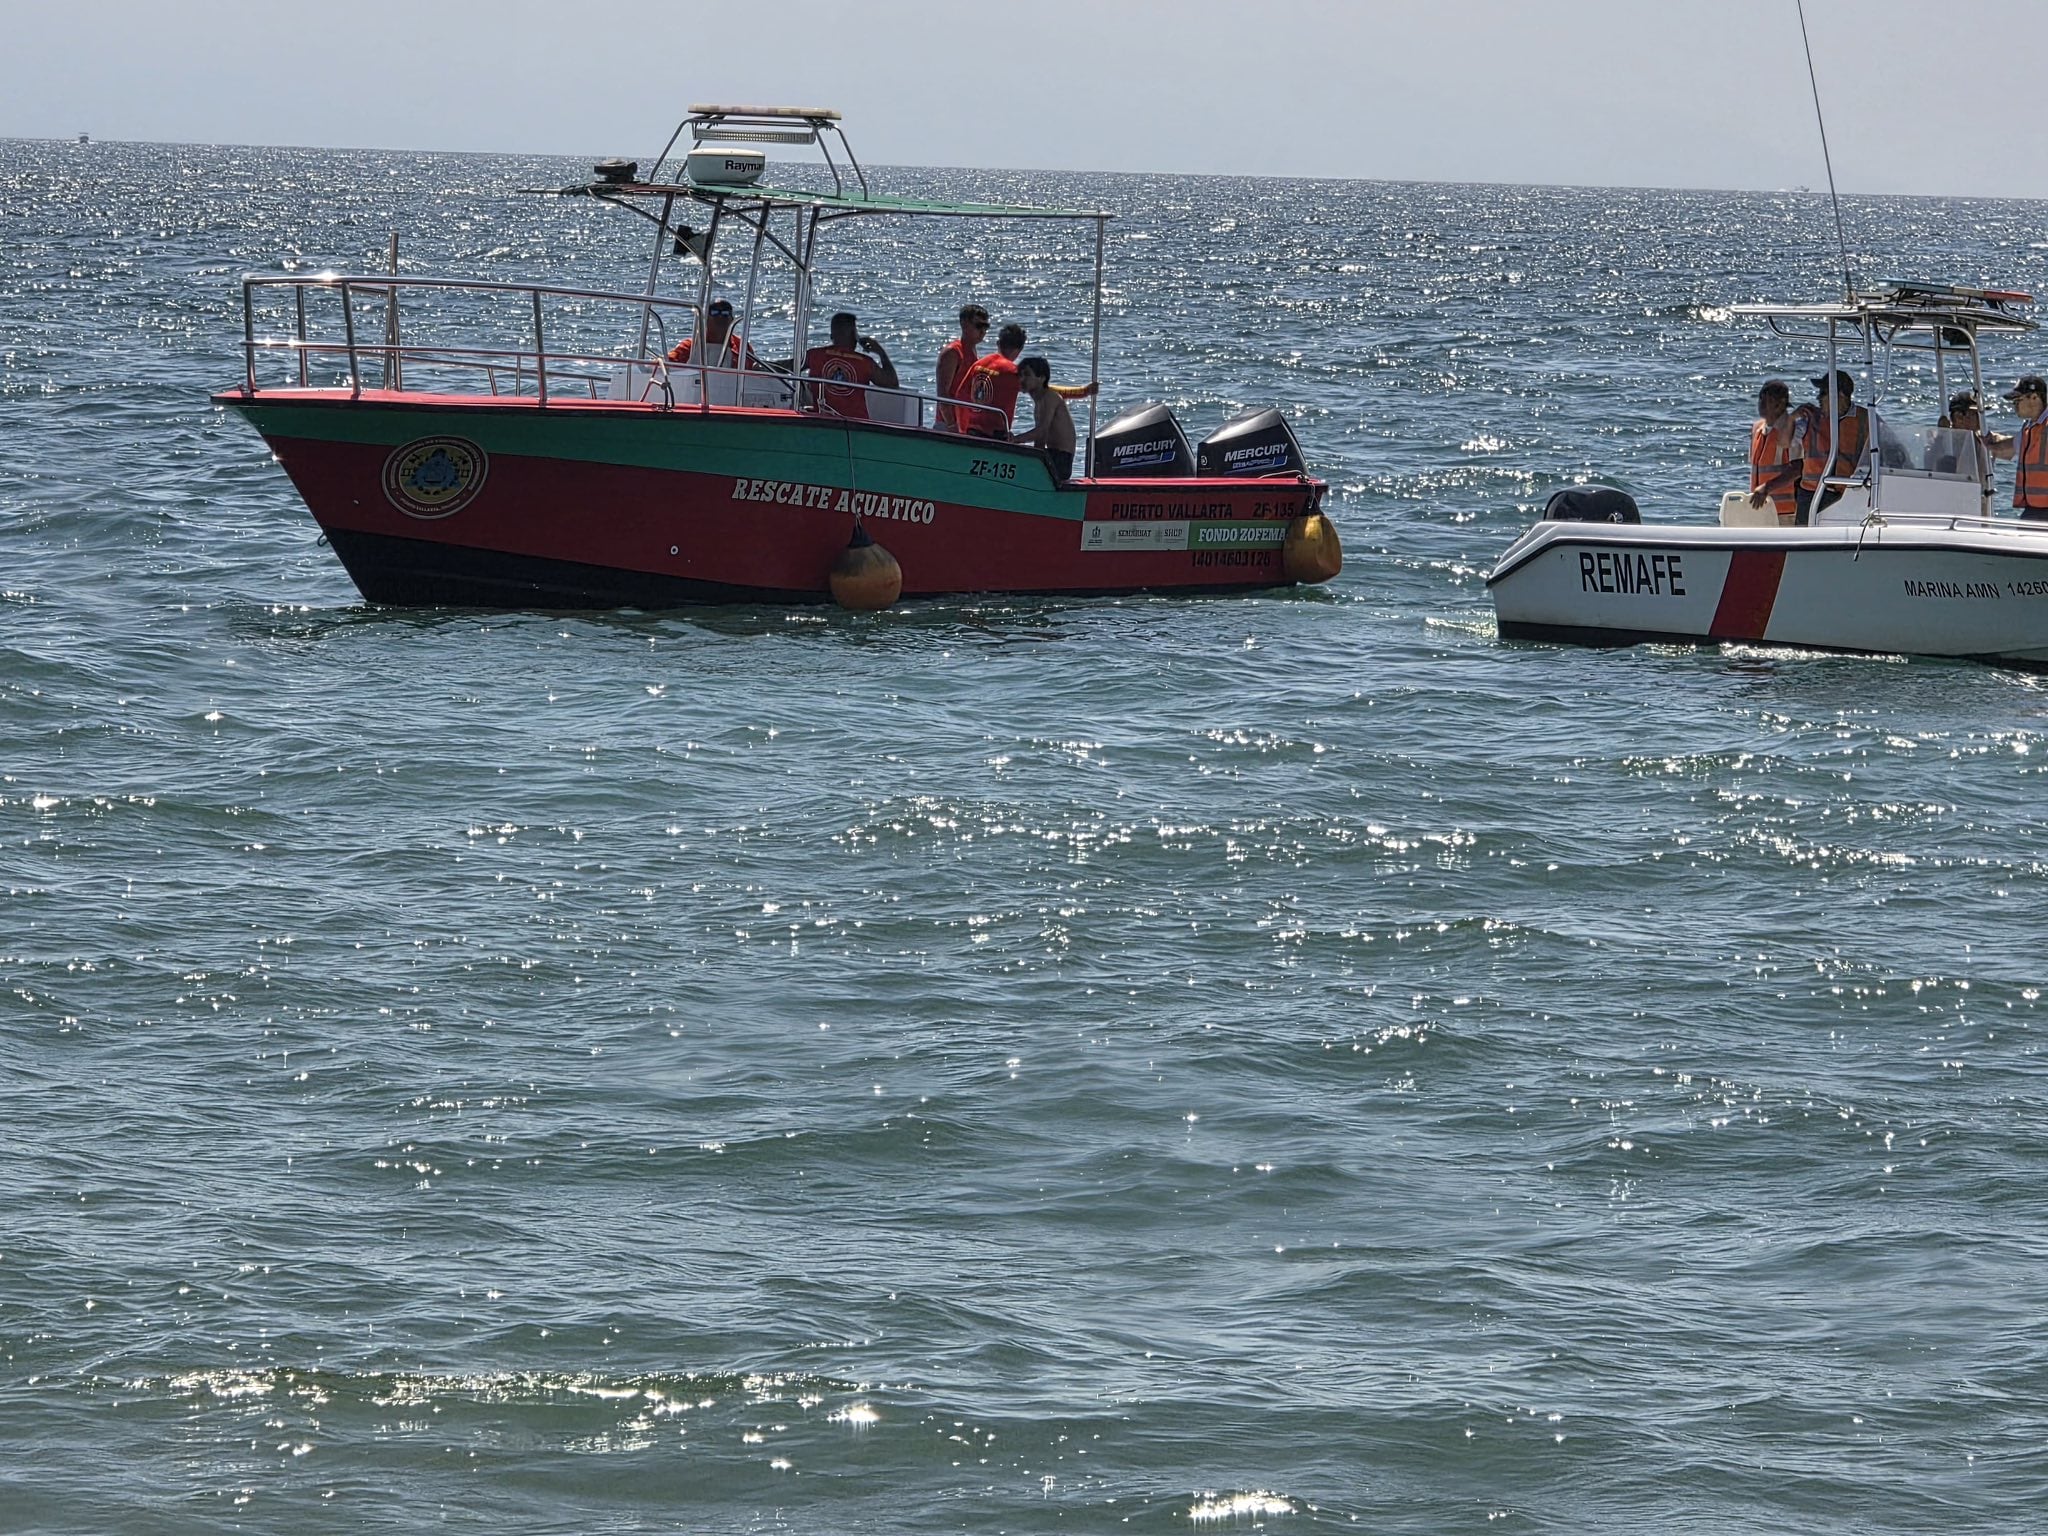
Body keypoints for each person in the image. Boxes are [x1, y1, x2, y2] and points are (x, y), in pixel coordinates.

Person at [1793, 369, 1870, 525]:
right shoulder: (1809, 418)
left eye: (1823, 393)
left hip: (1848, 497)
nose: (1818, 398)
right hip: (1810, 495)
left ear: (1840, 395)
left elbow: (1890, 450)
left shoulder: (1866, 420)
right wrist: (1793, 416)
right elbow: (1780, 437)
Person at [802, 311, 898, 420]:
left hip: (822, 420)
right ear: (854, 335)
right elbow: (892, 383)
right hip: (857, 423)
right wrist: (881, 352)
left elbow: (786, 367)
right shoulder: (864, 362)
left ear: (832, 335)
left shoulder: (814, 355)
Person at [1984, 374, 2048, 520]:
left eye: (2018, 400)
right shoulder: (2029, 428)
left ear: (2034, 398)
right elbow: (2009, 449)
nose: (2014, 405)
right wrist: (1989, 442)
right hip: (2034, 509)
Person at [1014, 356, 1078, 481]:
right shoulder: (1039, 402)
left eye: (1027, 375)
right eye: (1020, 375)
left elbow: (1041, 430)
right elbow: (1040, 441)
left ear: (1042, 378)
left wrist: (1015, 440)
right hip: (1050, 455)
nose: (1021, 379)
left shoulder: (1050, 397)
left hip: (1061, 460)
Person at [1747, 379, 1800, 523]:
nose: (1762, 404)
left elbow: (1798, 469)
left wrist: (1766, 488)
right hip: (1759, 509)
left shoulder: (1792, 429)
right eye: (1760, 398)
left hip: (1785, 513)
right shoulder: (1757, 429)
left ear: (1781, 404)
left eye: (1768, 399)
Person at [935, 302, 990, 429]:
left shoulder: (972, 352)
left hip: (965, 424)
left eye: (985, 327)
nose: (983, 331)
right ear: (964, 324)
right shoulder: (953, 352)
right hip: (949, 425)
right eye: (978, 326)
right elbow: (943, 393)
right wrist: (951, 424)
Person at [666, 297, 761, 369]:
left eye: (725, 313)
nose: (720, 317)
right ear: (706, 319)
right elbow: (668, 361)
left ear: (732, 319)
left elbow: (752, 370)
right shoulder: (691, 346)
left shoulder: (741, 346)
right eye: (715, 312)